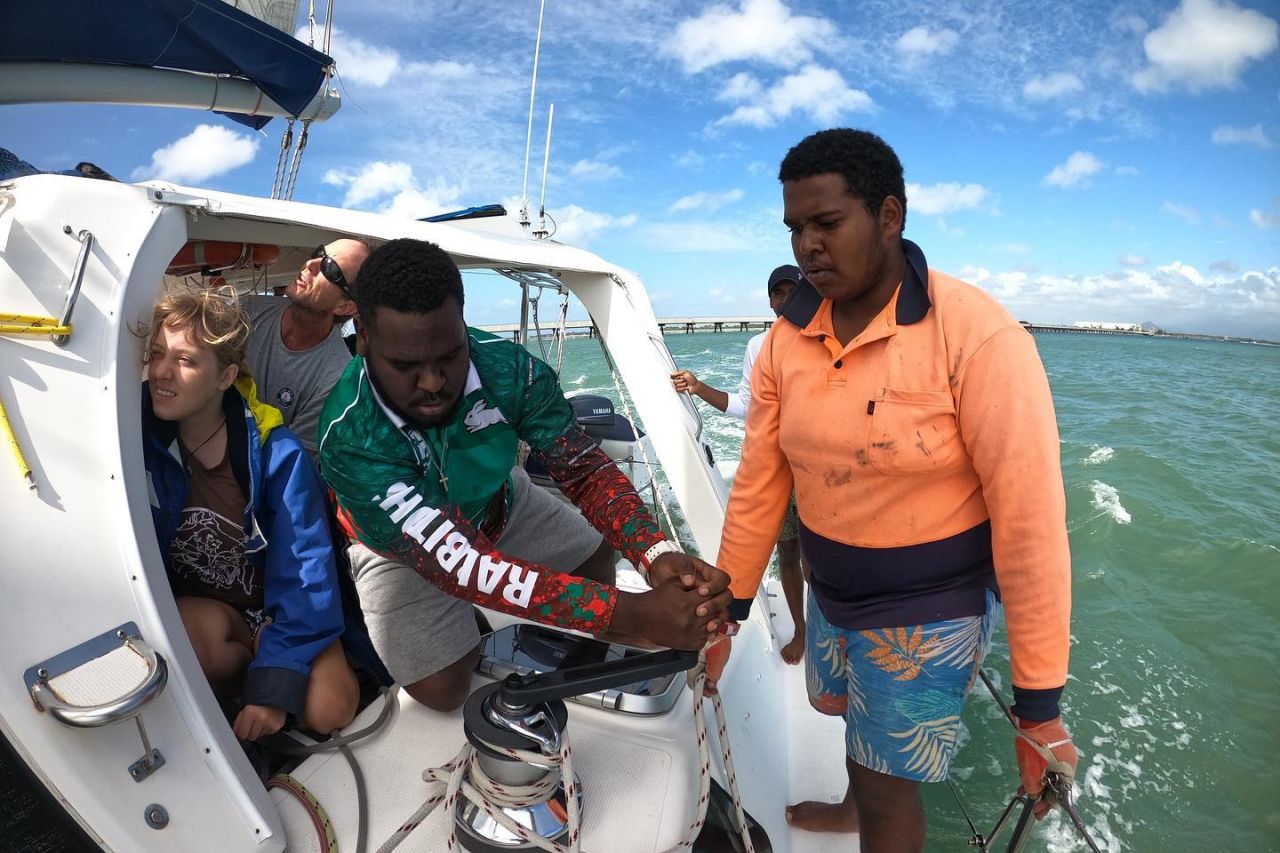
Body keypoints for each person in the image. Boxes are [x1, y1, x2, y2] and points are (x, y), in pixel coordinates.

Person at [708, 129, 1078, 850]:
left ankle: (867, 809)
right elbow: (759, 481)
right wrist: (726, 611)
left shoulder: (977, 335)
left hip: (929, 607)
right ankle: (854, 804)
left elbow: (1029, 522)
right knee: (850, 724)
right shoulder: (788, 339)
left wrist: (1039, 711)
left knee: (889, 790)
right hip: (833, 589)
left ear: (888, 216)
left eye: (826, 223)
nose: (808, 245)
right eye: (794, 228)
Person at [318, 238, 731, 712]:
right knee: (443, 692)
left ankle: (579, 658)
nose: (432, 382)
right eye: (405, 365)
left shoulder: (512, 371)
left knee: (597, 557)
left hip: (497, 499)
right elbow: (458, 562)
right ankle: (465, 621)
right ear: (363, 338)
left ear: (462, 324)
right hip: (398, 550)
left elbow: (584, 470)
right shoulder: (349, 437)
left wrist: (654, 553)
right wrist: (632, 616)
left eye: (450, 356)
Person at [141, 289, 359, 741]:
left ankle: (266, 661)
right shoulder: (138, 435)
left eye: (186, 361)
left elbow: (306, 575)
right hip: (213, 611)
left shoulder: (277, 455)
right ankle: (245, 665)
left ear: (226, 378)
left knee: (329, 710)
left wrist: (275, 683)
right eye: (157, 354)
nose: (162, 372)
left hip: (284, 612)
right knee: (193, 645)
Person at [670, 264, 809, 663]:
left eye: (792, 290)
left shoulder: (822, 341)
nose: (784, 299)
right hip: (775, 469)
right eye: (777, 293)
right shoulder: (757, 346)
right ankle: (800, 628)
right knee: (787, 551)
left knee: (820, 557)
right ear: (770, 300)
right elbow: (749, 407)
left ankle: (825, 632)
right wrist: (698, 388)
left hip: (813, 467)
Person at [244, 238, 371, 459]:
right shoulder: (247, 312)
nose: (310, 263)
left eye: (329, 268)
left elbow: (288, 463)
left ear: (345, 306)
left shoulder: (337, 379)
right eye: (318, 252)